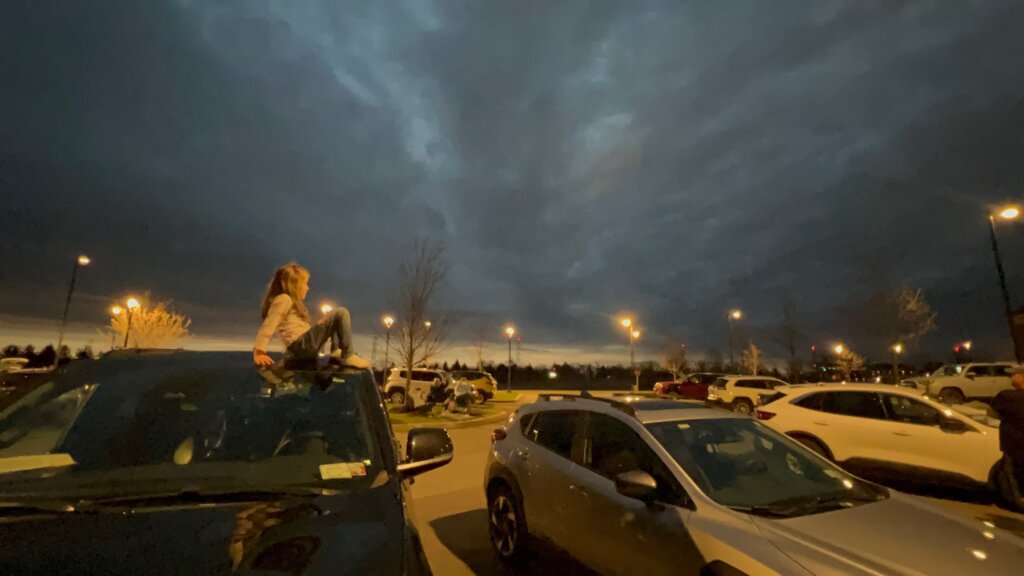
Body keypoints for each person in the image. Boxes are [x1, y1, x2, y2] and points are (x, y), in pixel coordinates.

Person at [252, 263, 369, 369]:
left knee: (334, 320)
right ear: (295, 286)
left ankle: (336, 352)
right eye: (305, 284)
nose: (308, 288)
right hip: (300, 346)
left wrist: (324, 324)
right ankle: (347, 355)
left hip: (301, 349)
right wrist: (260, 351)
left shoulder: (293, 303)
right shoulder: (284, 299)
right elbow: (268, 325)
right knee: (341, 312)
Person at [991, 365, 1024, 497]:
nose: (1010, 377)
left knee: (1014, 483)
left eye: (1013, 374)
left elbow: (992, 413)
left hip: (1013, 448)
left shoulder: (1006, 396)